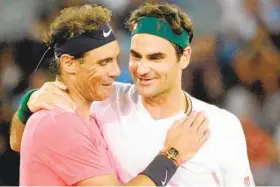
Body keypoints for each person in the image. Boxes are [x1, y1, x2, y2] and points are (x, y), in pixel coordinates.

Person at [11, 3, 254, 187]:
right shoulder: (101, 99)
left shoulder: (222, 126)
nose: (142, 68)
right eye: (136, 56)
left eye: (156, 57)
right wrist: (28, 103)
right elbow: (20, 141)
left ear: (185, 57)